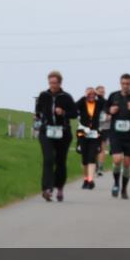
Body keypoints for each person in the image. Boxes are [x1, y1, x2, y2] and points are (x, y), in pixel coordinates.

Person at [34, 70, 78, 202]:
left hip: (63, 132)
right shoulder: (43, 95)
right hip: (46, 132)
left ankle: (59, 188)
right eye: (50, 82)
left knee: (60, 161)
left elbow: (75, 114)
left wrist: (63, 112)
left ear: (60, 83)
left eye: (55, 83)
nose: (52, 85)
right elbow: (38, 111)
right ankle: (47, 189)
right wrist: (37, 118)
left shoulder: (66, 97)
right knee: (48, 159)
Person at [75, 86, 106, 189]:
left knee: (92, 156)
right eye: (89, 94)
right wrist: (85, 95)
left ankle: (91, 180)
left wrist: (99, 95)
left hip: (95, 133)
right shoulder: (82, 103)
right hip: (82, 132)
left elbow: (106, 104)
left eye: (93, 94)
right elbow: (74, 107)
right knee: (84, 158)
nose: (91, 96)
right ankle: (85, 178)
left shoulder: (99, 103)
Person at [95, 84, 110, 177]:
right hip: (94, 128)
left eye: (103, 91)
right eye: (100, 90)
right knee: (94, 149)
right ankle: (96, 165)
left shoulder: (107, 102)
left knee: (102, 148)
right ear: (96, 91)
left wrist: (110, 116)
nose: (101, 92)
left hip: (105, 127)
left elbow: (111, 112)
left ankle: (100, 167)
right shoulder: (93, 102)